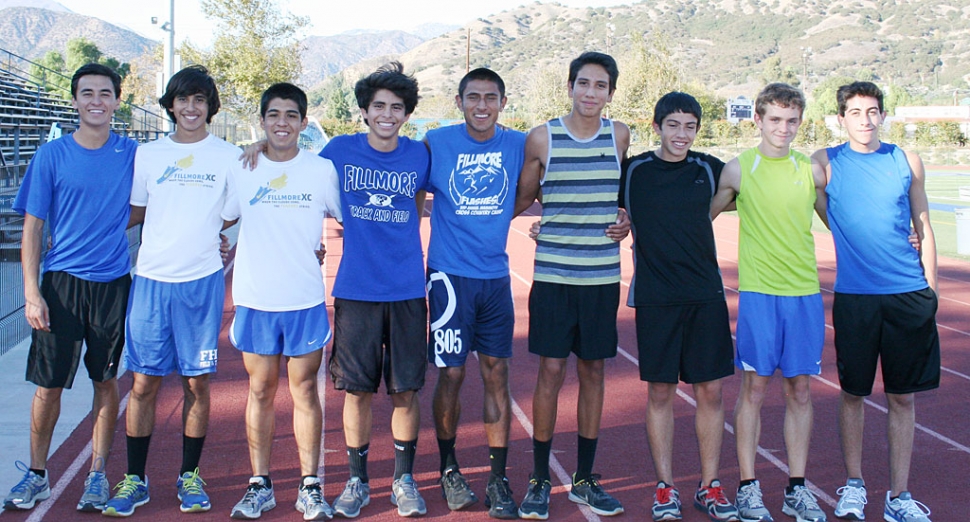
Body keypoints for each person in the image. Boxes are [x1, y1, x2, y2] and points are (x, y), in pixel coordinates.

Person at [97, 65, 237, 517]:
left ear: (209, 107)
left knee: (197, 383)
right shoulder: (149, 155)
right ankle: (135, 479)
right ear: (171, 105)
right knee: (143, 384)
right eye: (183, 100)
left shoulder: (230, 156)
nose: (190, 108)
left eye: (199, 100)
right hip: (152, 281)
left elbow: (237, 213)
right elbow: (134, 212)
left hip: (201, 283)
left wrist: (222, 236)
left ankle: (189, 477)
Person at [4, 63, 136, 513]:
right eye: (87, 93)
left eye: (105, 93)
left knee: (104, 382)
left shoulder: (134, 154)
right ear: (75, 101)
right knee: (49, 387)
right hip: (60, 286)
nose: (96, 100)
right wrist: (31, 291)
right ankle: (38, 474)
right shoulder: (52, 155)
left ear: (117, 100)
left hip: (112, 286)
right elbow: (33, 228)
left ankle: (97, 475)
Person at [814, 81, 938, 522]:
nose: (865, 120)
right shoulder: (823, 163)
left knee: (902, 398)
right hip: (856, 299)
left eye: (872, 111)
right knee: (853, 394)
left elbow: (923, 227)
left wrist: (932, 293)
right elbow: (809, 201)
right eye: (855, 112)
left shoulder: (906, 160)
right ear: (841, 118)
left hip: (908, 296)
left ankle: (898, 495)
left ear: (882, 115)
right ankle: (854, 485)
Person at [513, 51, 629, 520]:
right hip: (555, 275)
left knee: (595, 374)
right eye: (583, 83)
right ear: (569, 86)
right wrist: (544, 218)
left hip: (602, 277)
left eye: (600, 86)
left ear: (610, 94)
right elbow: (523, 195)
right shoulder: (542, 137)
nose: (590, 93)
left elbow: (622, 193)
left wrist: (626, 219)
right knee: (550, 372)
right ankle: (540, 480)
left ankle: (583, 479)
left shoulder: (619, 135)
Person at [223, 82, 342, 521]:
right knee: (259, 389)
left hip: (304, 298)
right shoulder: (243, 167)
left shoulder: (320, 170)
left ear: (304, 122)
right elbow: (222, 217)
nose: (282, 123)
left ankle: (309, 486)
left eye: (291, 115)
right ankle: (260, 484)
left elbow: (350, 218)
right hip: (256, 298)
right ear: (262, 120)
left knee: (306, 390)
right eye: (274, 115)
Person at [710, 82, 828, 522]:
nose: (783, 128)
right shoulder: (739, 169)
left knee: (799, 389)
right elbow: (697, 218)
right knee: (755, 388)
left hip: (804, 295)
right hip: (759, 295)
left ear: (800, 122)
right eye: (775, 119)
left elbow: (843, 221)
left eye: (792, 120)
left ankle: (797, 488)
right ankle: (748, 486)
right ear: (758, 119)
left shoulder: (810, 171)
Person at [621, 92, 739, 522]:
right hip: (656, 297)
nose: (681, 134)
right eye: (673, 125)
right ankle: (665, 487)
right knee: (660, 393)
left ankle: (710, 486)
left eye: (690, 126)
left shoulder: (709, 168)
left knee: (710, 391)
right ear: (657, 127)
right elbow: (599, 203)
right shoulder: (633, 170)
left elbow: (762, 196)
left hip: (705, 295)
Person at [323, 62, 431, 519]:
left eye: (397, 107)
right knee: (357, 392)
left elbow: (430, 201)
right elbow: (287, 162)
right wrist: (256, 145)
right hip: (357, 290)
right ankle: (357, 480)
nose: (387, 114)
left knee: (406, 390)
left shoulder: (420, 156)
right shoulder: (337, 151)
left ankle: (403, 480)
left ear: (406, 114)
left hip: (407, 289)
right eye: (379, 106)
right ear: (364, 111)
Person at [420, 68, 526, 519]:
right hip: (448, 278)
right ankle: (449, 468)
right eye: (473, 97)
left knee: (497, 373)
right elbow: (401, 179)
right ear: (458, 101)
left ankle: (498, 478)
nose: (482, 105)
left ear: (503, 101)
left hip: (495, 279)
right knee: (452, 375)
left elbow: (534, 190)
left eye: (490, 97)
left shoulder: (520, 144)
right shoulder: (436, 141)